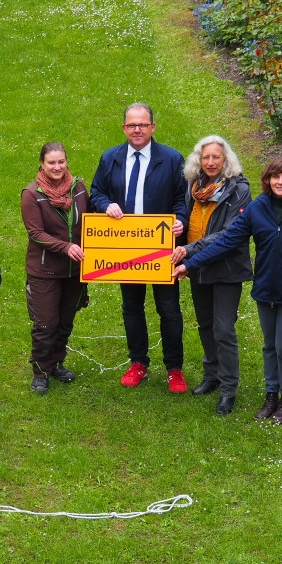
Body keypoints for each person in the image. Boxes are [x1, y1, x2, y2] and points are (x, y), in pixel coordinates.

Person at [172, 155, 282, 424]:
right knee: (269, 346)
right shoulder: (258, 208)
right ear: (268, 180)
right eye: (275, 177)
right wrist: (190, 264)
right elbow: (227, 241)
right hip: (266, 289)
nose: (280, 182)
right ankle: (271, 396)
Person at [90, 102, 189, 393]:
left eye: (142, 124)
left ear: (152, 127)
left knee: (169, 309)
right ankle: (138, 362)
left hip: (162, 247)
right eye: (132, 125)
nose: (137, 129)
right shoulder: (111, 159)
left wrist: (181, 220)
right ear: (124, 128)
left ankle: (175, 369)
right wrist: (106, 205)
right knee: (131, 306)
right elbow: (97, 192)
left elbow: (182, 199)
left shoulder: (171, 159)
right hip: (126, 248)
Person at [171, 135, 253, 415]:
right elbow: (186, 219)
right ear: (198, 160)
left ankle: (229, 389)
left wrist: (189, 251)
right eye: (205, 157)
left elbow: (230, 234)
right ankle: (212, 376)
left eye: (216, 157)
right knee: (205, 324)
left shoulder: (239, 189)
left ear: (225, 159)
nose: (210, 162)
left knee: (223, 329)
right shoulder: (195, 187)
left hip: (227, 268)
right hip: (199, 266)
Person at [21, 142, 92, 394]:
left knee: (65, 320)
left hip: (74, 271)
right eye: (51, 162)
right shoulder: (32, 194)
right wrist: (65, 247)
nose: (57, 167)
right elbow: (36, 233)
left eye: (61, 162)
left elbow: (94, 220)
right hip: (44, 271)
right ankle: (40, 371)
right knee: (45, 323)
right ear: (42, 163)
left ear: (66, 161)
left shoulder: (79, 188)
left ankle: (56, 363)